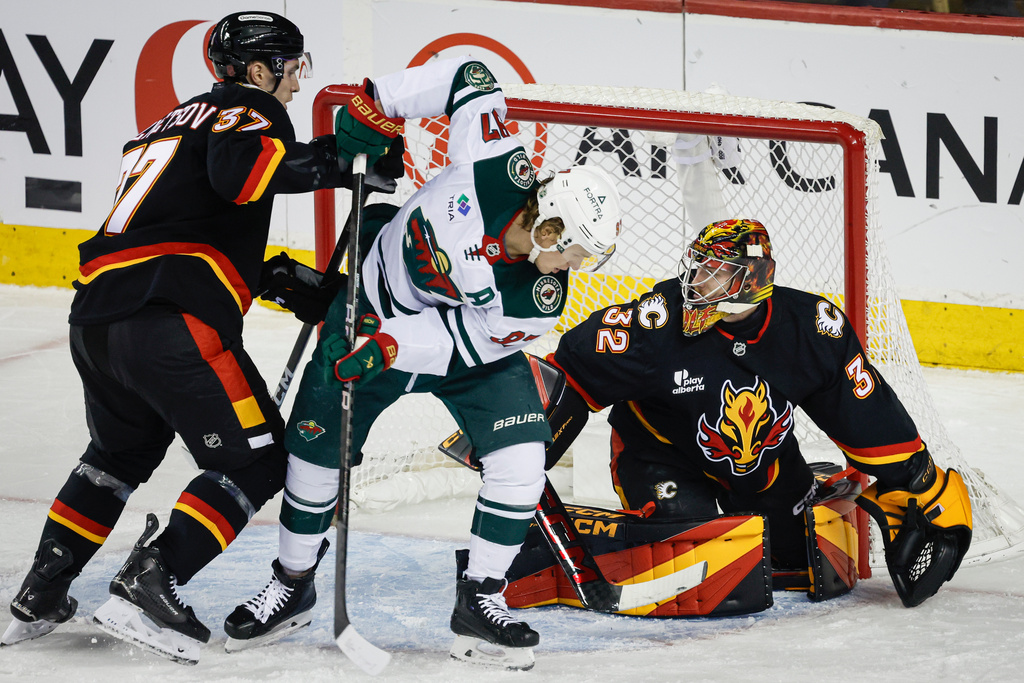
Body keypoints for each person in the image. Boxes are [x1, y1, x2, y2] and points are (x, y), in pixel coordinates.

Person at [1, 11, 399, 664]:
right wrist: (339, 158)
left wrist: (276, 277)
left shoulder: (172, 121)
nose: (299, 81)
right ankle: (151, 581)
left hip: (99, 319)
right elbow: (238, 176)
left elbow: (183, 219)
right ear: (259, 70)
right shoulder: (248, 108)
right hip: (169, 320)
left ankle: (43, 587)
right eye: (292, 66)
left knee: (118, 455)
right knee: (258, 459)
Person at [223, 56, 622, 671]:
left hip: (450, 347)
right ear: (551, 223)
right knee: (311, 456)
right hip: (369, 306)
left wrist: (388, 348)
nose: (574, 266)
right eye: (574, 248)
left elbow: (461, 342)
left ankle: (481, 598)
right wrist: (378, 100)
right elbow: (470, 75)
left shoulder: (536, 300)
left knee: (522, 461)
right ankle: (294, 581)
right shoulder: (494, 164)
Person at [544, 217, 974, 609]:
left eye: (716, 272)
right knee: (694, 562)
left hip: (762, 459)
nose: (697, 282)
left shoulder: (811, 329)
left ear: (753, 279)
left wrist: (918, 479)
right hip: (659, 455)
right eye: (697, 268)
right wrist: (526, 441)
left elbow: (863, 413)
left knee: (797, 559)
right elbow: (571, 375)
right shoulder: (655, 323)